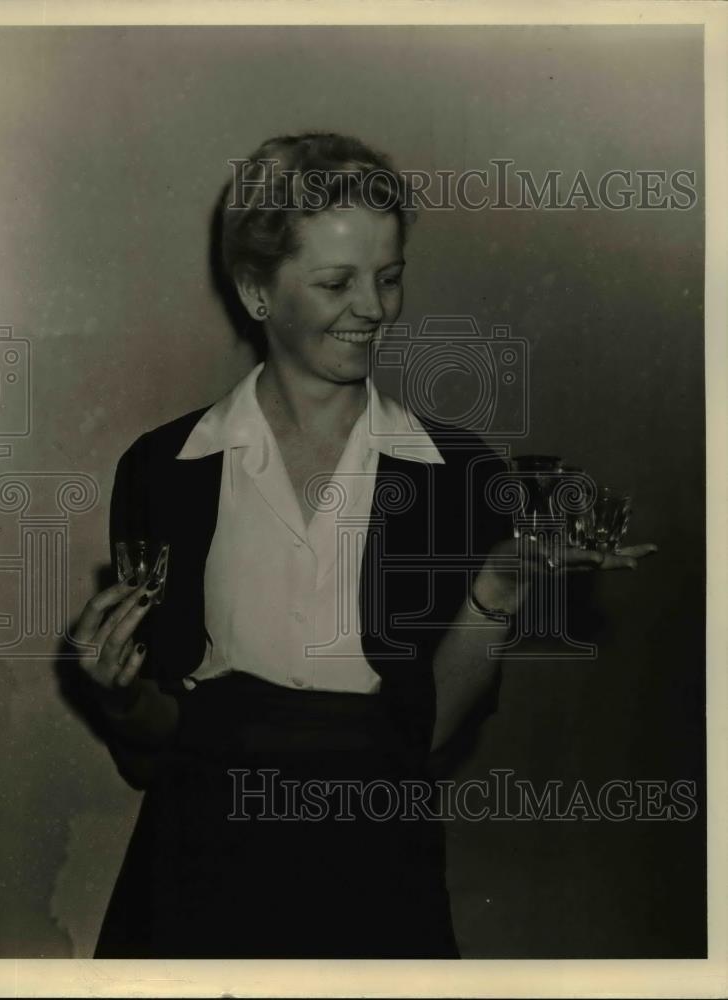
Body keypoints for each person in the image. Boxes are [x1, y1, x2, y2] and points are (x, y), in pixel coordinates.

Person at [73, 132, 656, 959]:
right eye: (337, 282)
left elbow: (429, 739)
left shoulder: (458, 473)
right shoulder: (163, 470)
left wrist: (500, 588)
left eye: (389, 277)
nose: (375, 308)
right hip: (198, 865)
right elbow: (154, 749)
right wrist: (119, 692)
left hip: (378, 865)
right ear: (256, 291)